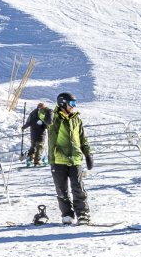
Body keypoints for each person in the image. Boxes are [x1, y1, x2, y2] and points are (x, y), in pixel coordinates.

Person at [48, 92, 94, 225]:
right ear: (63, 103)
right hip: (58, 159)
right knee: (62, 190)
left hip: (75, 159)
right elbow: (42, 114)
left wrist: (88, 154)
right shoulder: (53, 118)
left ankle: (83, 214)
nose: (74, 106)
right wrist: (44, 114)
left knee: (78, 188)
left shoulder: (76, 119)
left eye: (75, 103)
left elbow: (83, 139)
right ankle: (67, 214)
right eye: (72, 103)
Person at [22, 102, 52, 167]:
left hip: (33, 134)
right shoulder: (43, 114)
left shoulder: (32, 114)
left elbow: (28, 123)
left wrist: (24, 127)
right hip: (41, 135)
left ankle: (29, 159)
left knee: (33, 146)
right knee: (40, 147)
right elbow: (47, 124)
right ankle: (37, 161)